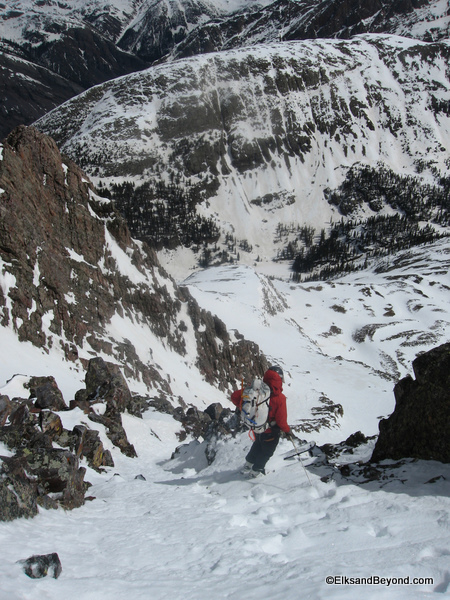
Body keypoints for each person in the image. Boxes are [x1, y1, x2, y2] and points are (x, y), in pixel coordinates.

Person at [231, 365, 292, 477]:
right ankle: (256, 472)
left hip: (256, 426)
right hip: (270, 431)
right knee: (266, 452)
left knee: (258, 444)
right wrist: (288, 431)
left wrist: (243, 407)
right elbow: (281, 420)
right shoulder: (280, 398)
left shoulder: (256, 391)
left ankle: (248, 465)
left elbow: (234, 396)